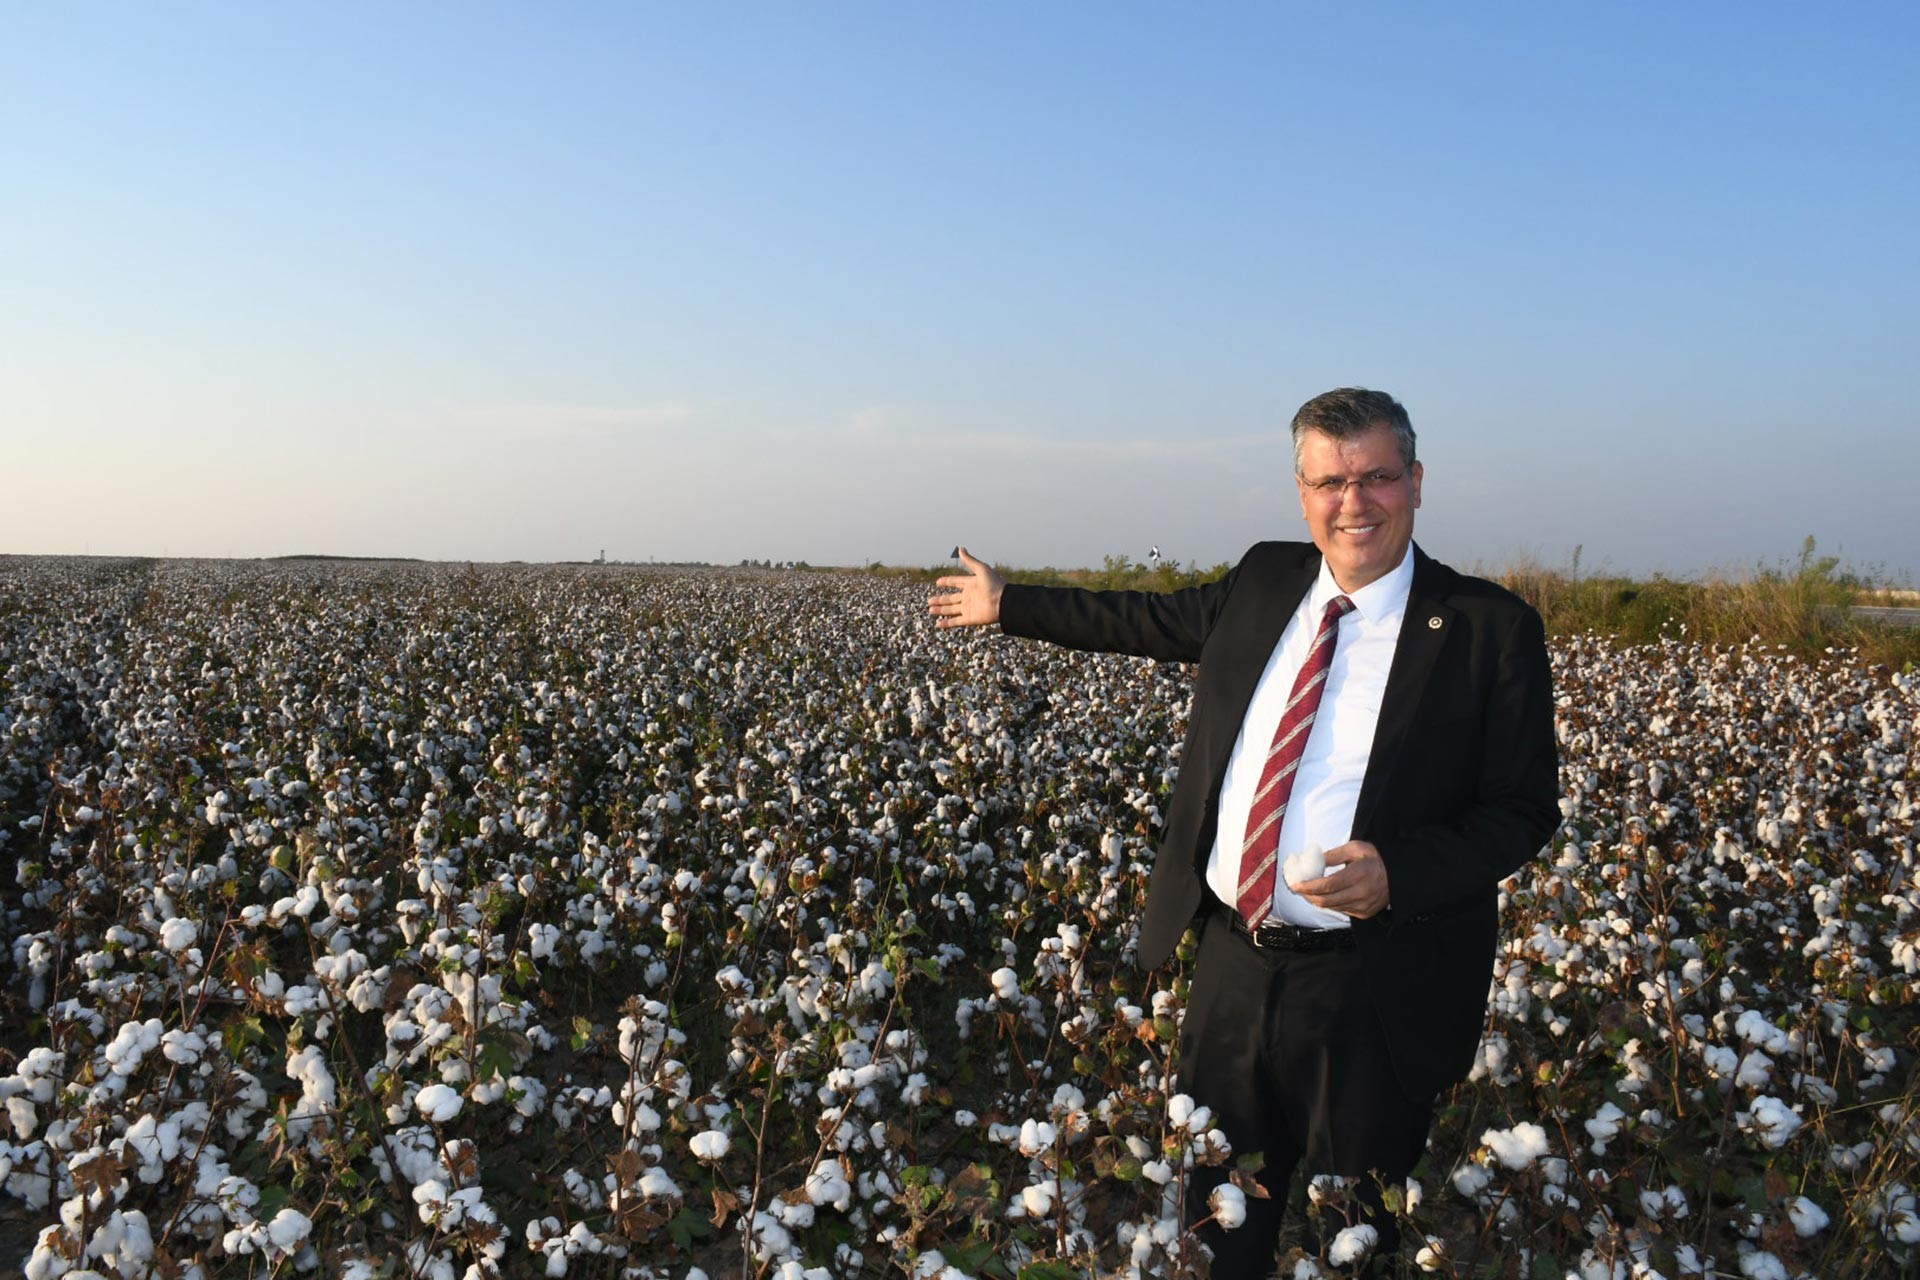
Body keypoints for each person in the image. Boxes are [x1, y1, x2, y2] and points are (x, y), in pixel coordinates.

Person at [927, 388, 1560, 1276]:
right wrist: (1009, 603)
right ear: (1302, 492)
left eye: (1378, 477)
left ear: (1416, 483)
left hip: (1375, 986)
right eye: (1331, 481)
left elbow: (1526, 811)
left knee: (1356, 1231)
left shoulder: (1489, 629)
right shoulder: (1266, 579)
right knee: (1215, 1221)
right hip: (1233, 964)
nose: (1355, 502)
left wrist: (1400, 872)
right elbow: (1142, 620)